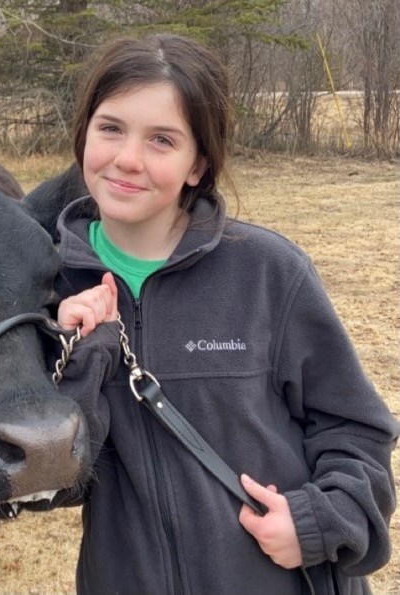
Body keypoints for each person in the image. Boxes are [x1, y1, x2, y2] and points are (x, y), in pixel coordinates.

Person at [35, 33, 400, 594]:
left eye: (162, 139)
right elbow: (50, 487)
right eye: (110, 128)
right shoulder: (50, 288)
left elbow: (356, 430)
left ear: (197, 164)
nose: (127, 158)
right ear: (83, 133)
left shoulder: (268, 273)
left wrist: (316, 522)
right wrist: (80, 358)